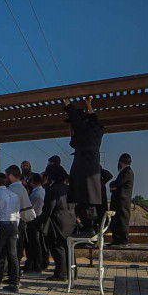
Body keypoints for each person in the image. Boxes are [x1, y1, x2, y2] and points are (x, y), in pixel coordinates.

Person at [63, 98, 105, 236]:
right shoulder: (97, 132)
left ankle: (88, 229)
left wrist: (67, 103)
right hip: (92, 171)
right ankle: (89, 227)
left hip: (83, 172)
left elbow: (76, 120)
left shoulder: (83, 131)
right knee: (89, 202)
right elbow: (94, 120)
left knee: (84, 202)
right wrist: (89, 105)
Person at [39, 169, 77, 281]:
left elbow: (49, 207)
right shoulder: (68, 188)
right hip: (70, 220)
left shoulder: (52, 189)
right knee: (69, 248)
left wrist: (41, 220)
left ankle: (61, 273)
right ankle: (73, 273)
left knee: (57, 247)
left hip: (58, 221)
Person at [108, 153, 134, 246]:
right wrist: (113, 186)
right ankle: (117, 240)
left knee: (122, 220)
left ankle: (122, 240)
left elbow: (116, 184)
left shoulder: (127, 172)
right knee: (117, 220)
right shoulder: (126, 172)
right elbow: (115, 185)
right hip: (120, 201)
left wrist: (113, 186)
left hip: (122, 202)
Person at [24, 173, 47, 272]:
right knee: (38, 243)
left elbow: (29, 206)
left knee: (34, 243)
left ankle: (36, 264)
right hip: (39, 219)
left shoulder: (35, 194)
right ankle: (37, 263)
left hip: (34, 219)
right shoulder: (43, 191)